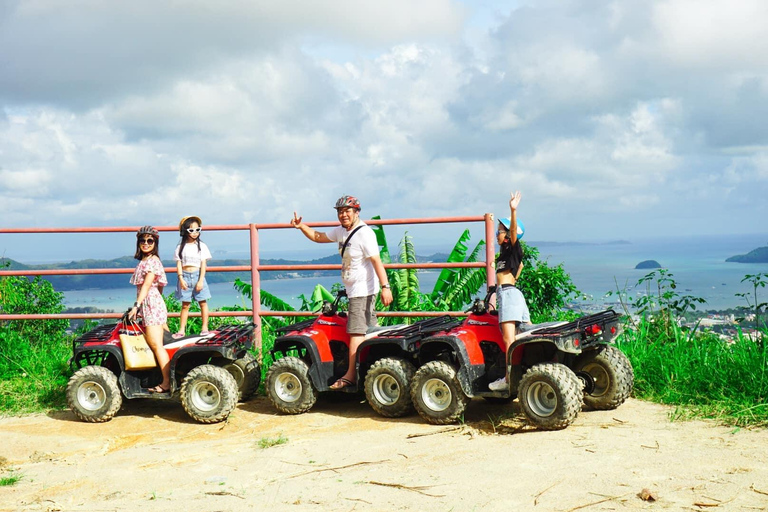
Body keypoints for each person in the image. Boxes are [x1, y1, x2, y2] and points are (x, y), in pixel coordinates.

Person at [291, 195, 393, 390]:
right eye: (340, 211)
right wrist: (301, 227)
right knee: (368, 330)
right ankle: (368, 372)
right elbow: (318, 237)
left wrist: (386, 287)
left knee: (356, 331)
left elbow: (376, 261)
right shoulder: (341, 231)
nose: (343, 215)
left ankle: (351, 376)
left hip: (362, 291)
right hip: (354, 289)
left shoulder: (364, 234)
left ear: (357, 212)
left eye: (347, 211)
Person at [489, 191, 531, 391]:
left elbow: (514, 232)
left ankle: (508, 379)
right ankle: (525, 374)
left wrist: (512, 210)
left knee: (508, 339)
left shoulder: (513, 248)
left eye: (499, 231)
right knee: (527, 334)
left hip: (508, 294)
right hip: (513, 294)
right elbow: (519, 267)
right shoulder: (506, 254)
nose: (497, 234)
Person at [128, 226, 171, 393]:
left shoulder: (153, 261)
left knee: (156, 344)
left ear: (155, 243)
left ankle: (166, 383)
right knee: (165, 342)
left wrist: (137, 305)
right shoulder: (144, 261)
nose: (145, 243)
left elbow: (147, 285)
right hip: (150, 304)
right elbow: (158, 287)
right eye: (142, 240)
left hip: (151, 305)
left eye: (149, 240)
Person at [173, 216, 213, 338]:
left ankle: (205, 327)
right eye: (191, 230)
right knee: (185, 305)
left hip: (197, 275)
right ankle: (181, 330)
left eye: (197, 229)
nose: (195, 233)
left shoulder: (202, 246)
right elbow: (179, 263)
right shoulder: (180, 247)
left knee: (203, 302)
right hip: (185, 276)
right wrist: (180, 278)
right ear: (185, 231)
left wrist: (200, 280)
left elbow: (203, 264)